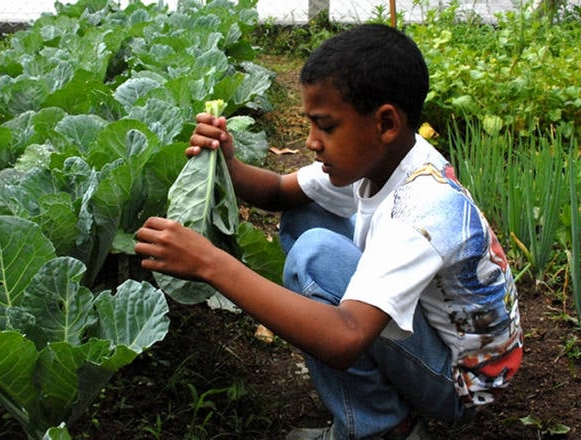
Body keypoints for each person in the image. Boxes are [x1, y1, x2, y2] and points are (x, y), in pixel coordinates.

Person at [134, 23, 523, 440]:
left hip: (462, 382)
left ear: (386, 122)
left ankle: (381, 430)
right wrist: (228, 164)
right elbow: (280, 192)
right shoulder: (381, 156)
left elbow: (345, 337)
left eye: (326, 126)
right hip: (439, 337)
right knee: (304, 217)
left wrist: (212, 264)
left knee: (314, 256)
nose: (312, 142)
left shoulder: (421, 207)